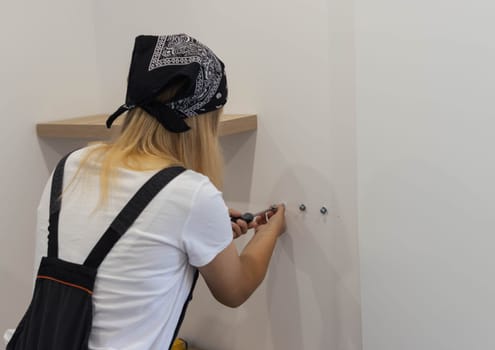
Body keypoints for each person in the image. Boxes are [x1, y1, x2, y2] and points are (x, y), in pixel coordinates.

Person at [8, 34, 286, 349]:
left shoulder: (70, 165)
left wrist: (209, 232)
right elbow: (234, 291)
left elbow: (131, 242)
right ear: (202, 121)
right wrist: (268, 233)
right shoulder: (191, 193)